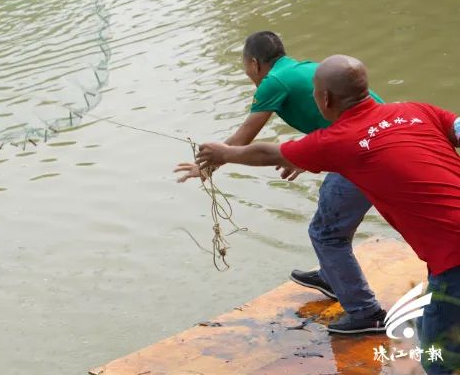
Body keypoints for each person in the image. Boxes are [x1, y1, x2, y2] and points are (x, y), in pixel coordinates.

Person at [195, 55, 460, 375]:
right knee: (427, 321)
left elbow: (269, 153)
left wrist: (224, 153)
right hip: (448, 260)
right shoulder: (415, 110)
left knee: (438, 360)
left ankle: (361, 308)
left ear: (323, 98)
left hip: (453, 260)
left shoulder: (340, 139)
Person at [175, 32, 387, 334]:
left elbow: (242, 140)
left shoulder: (272, 82)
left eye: (245, 67)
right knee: (330, 218)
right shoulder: (302, 69)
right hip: (373, 143)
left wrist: (205, 168)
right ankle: (332, 276)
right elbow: (337, 120)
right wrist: (307, 156)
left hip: (362, 157)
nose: (248, 73)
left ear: (253, 63)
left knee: (325, 233)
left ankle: (366, 312)